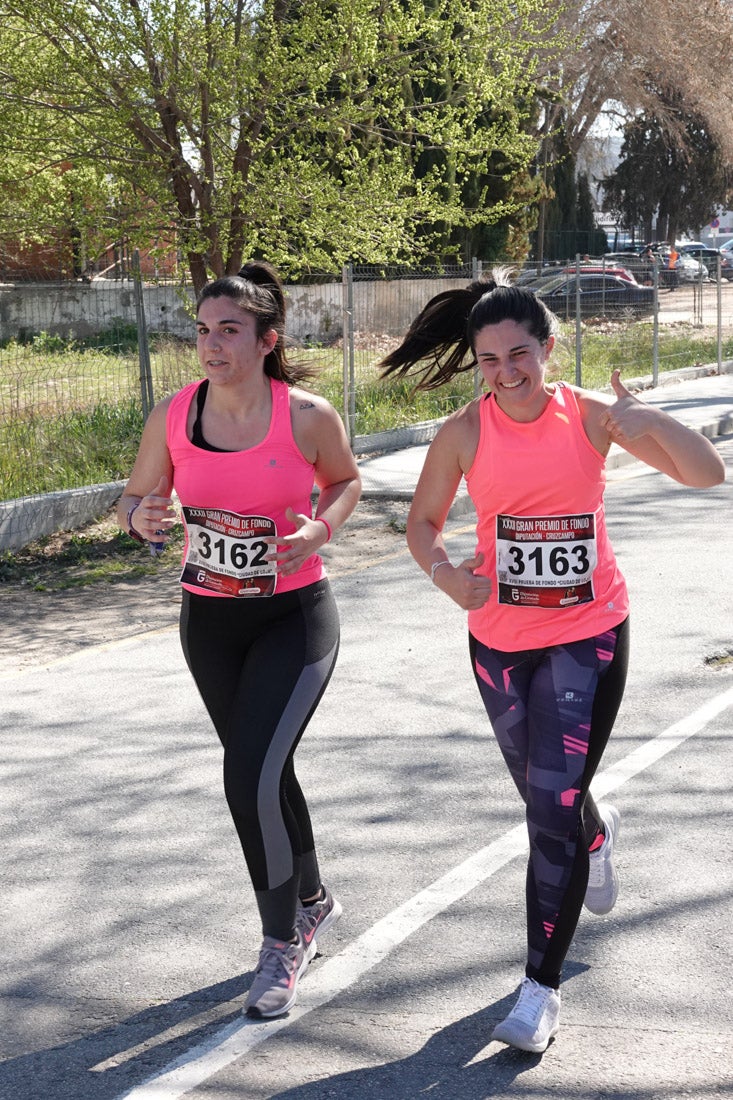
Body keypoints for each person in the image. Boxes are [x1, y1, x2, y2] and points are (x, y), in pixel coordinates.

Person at [380, 272, 725, 1054]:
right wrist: (447, 579)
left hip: (588, 634)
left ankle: (539, 988)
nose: (506, 371)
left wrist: (647, 418)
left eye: (520, 353)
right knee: (549, 802)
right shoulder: (464, 432)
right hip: (498, 640)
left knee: (547, 816)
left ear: (548, 347)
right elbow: (423, 525)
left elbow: (708, 472)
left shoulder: (593, 418)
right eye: (490, 358)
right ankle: (595, 836)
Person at [117, 260, 361, 1019]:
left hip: (295, 618)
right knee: (264, 769)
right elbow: (135, 496)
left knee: (248, 776)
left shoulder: (306, 415)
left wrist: (319, 527)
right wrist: (141, 519)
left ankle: (281, 941)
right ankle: (311, 898)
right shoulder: (174, 414)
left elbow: (347, 481)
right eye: (202, 330)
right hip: (210, 621)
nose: (211, 344)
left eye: (228, 330)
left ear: (265, 340)